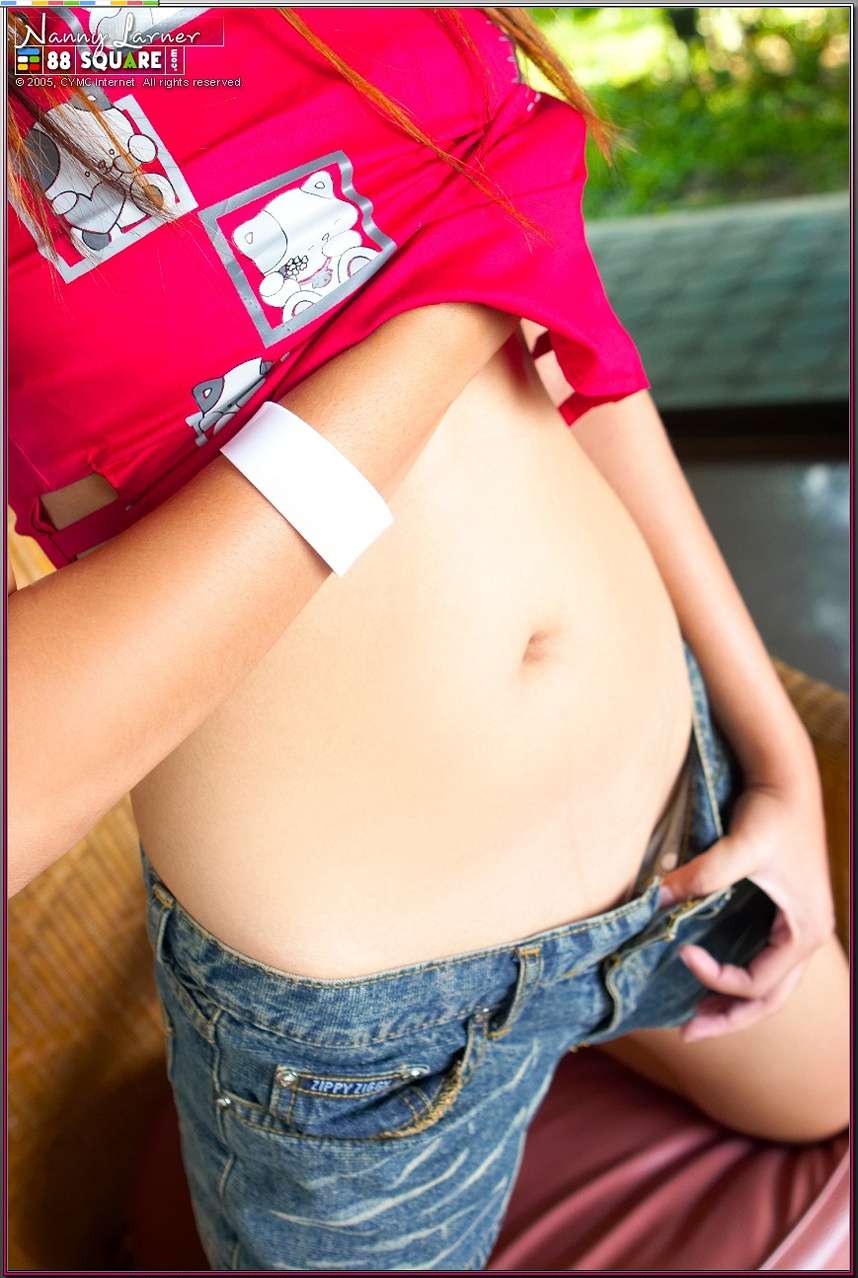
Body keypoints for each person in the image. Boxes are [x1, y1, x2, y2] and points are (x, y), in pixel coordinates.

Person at [6, 6, 847, 1270]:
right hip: (362, 1042)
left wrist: (778, 760)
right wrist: (448, 291)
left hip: (670, 824)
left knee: (825, 1095)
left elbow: (560, 345)